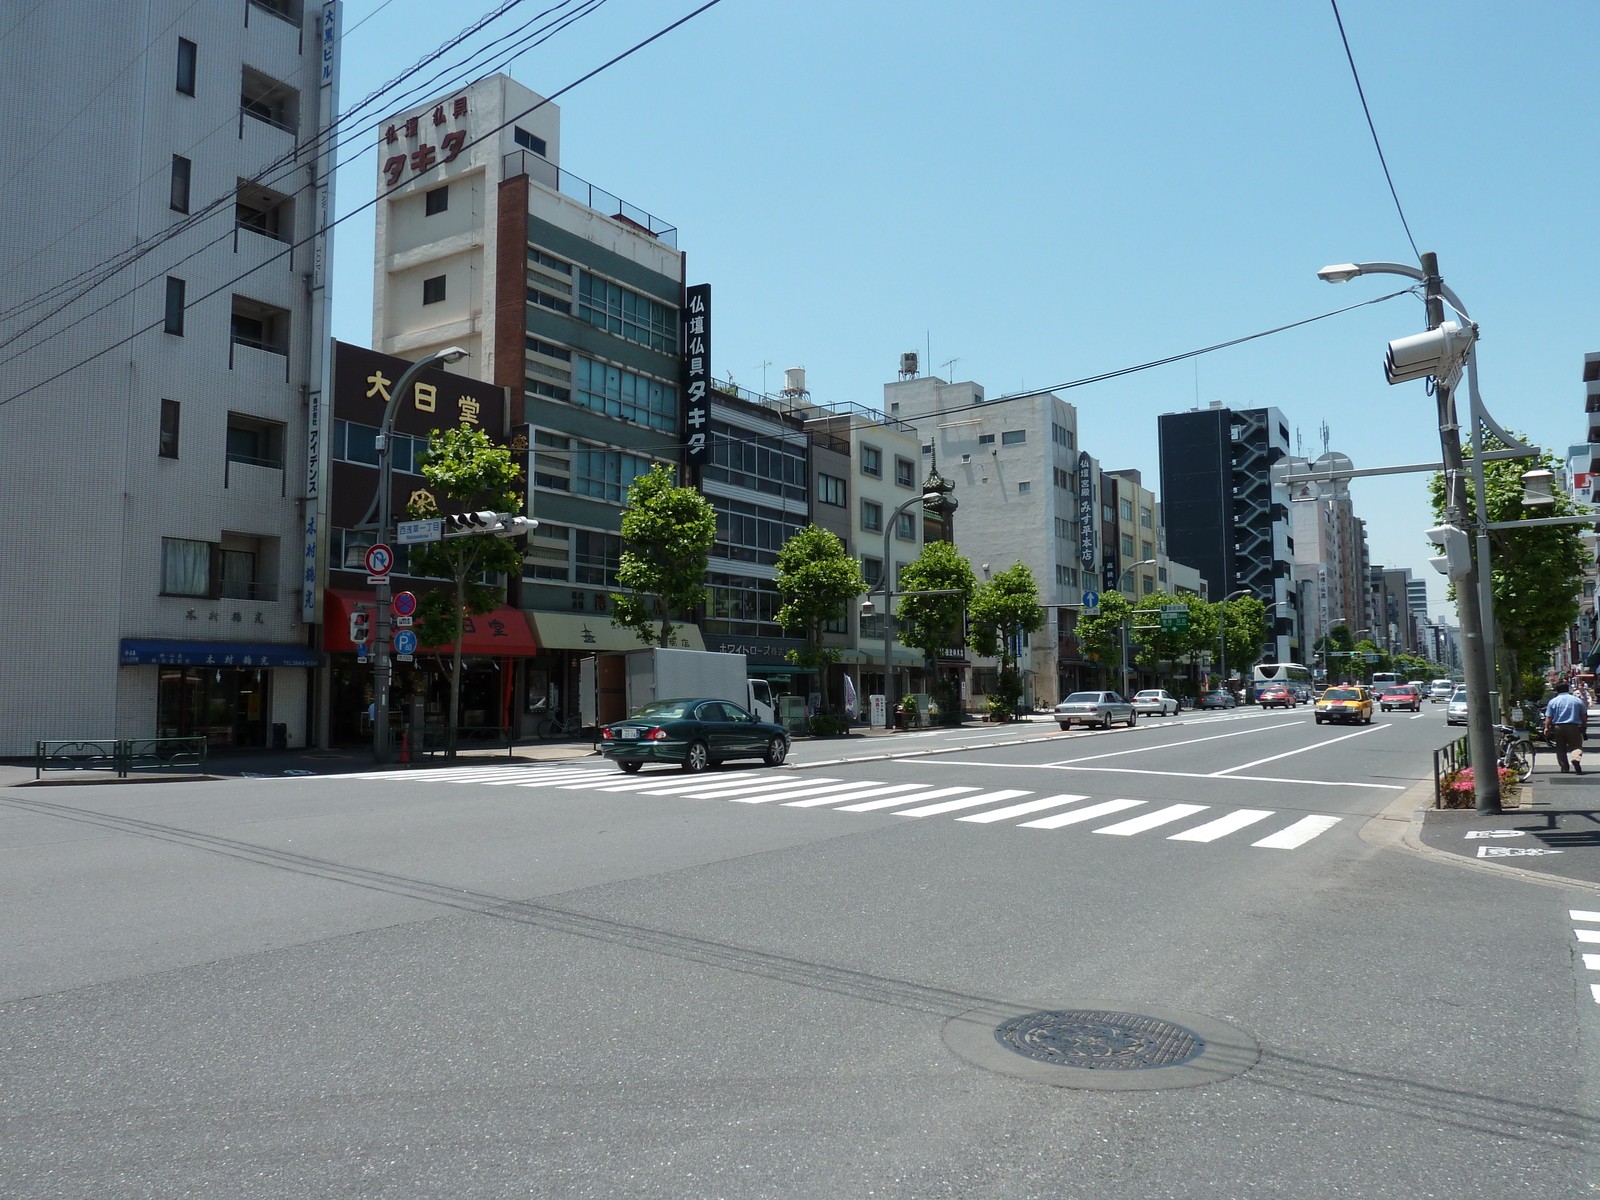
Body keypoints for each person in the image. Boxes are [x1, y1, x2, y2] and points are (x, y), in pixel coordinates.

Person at [1544, 682, 1589, 774]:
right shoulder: (1576, 700)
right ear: (1568, 689)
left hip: (1558, 727)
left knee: (1560, 747)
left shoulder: (1553, 701)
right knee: (1576, 745)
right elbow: (1583, 714)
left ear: (1557, 690)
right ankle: (1575, 758)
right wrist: (1584, 725)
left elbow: (1549, 717)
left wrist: (1546, 727)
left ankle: (1564, 767)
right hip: (1574, 726)